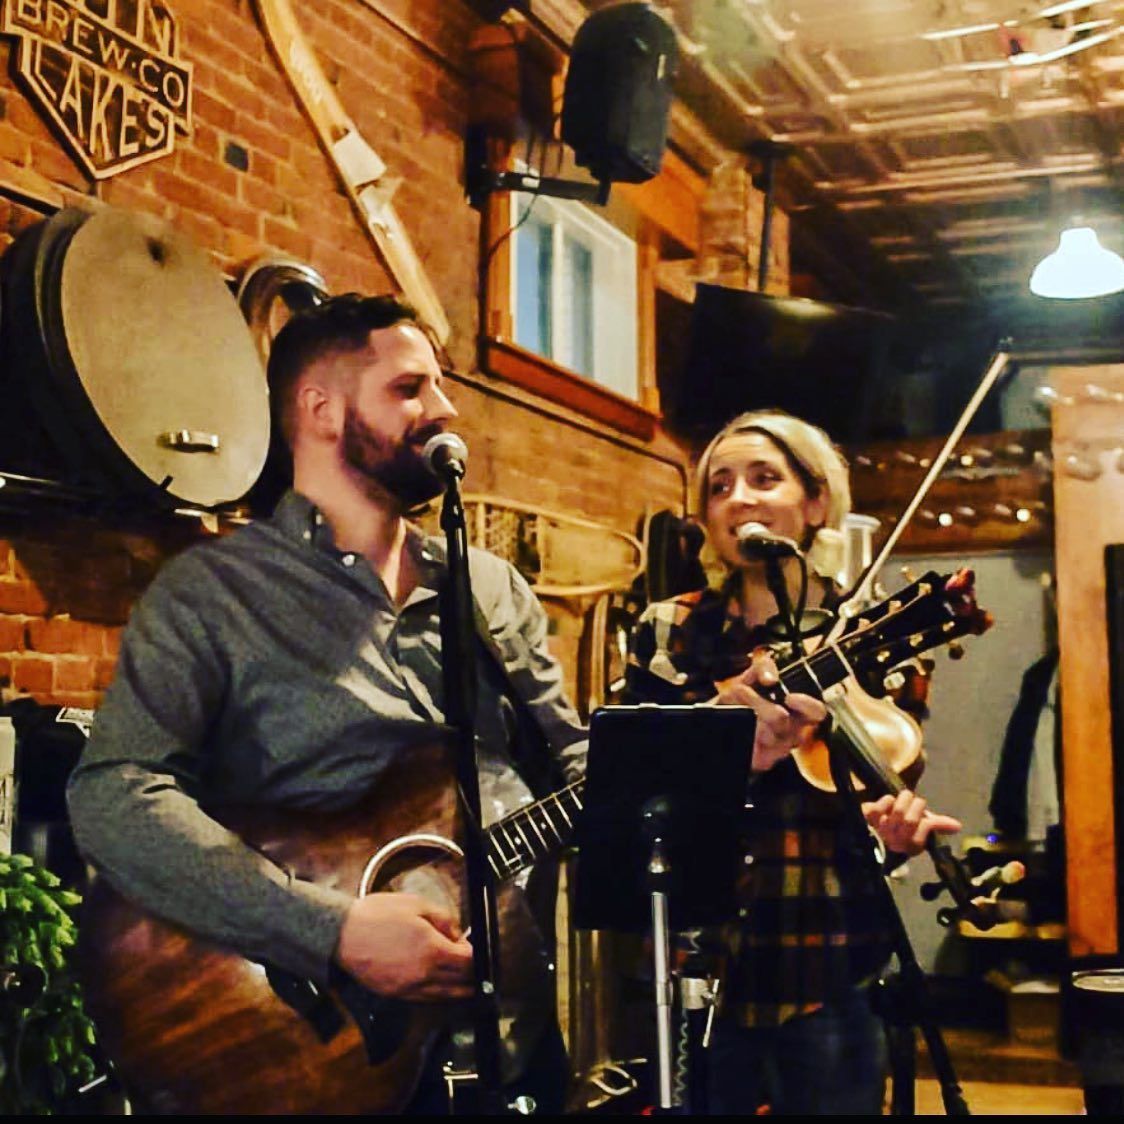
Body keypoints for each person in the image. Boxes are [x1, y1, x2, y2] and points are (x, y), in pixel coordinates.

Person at [66, 297, 829, 1114]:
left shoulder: (489, 589)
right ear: (320, 410)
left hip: (506, 1038)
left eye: (440, 384)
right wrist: (329, 929)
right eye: (409, 388)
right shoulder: (213, 592)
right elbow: (113, 796)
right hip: (310, 1048)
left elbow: (575, 767)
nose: (445, 409)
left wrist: (711, 750)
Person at [624, 410, 962, 1116]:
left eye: (764, 478)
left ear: (814, 504)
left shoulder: (872, 633)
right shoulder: (667, 629)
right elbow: (632, 786)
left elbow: (883, 798)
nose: (739, 498)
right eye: (719, 487)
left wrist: (894, 840)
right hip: (699, 966)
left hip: (830, 959)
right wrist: (723, 748)